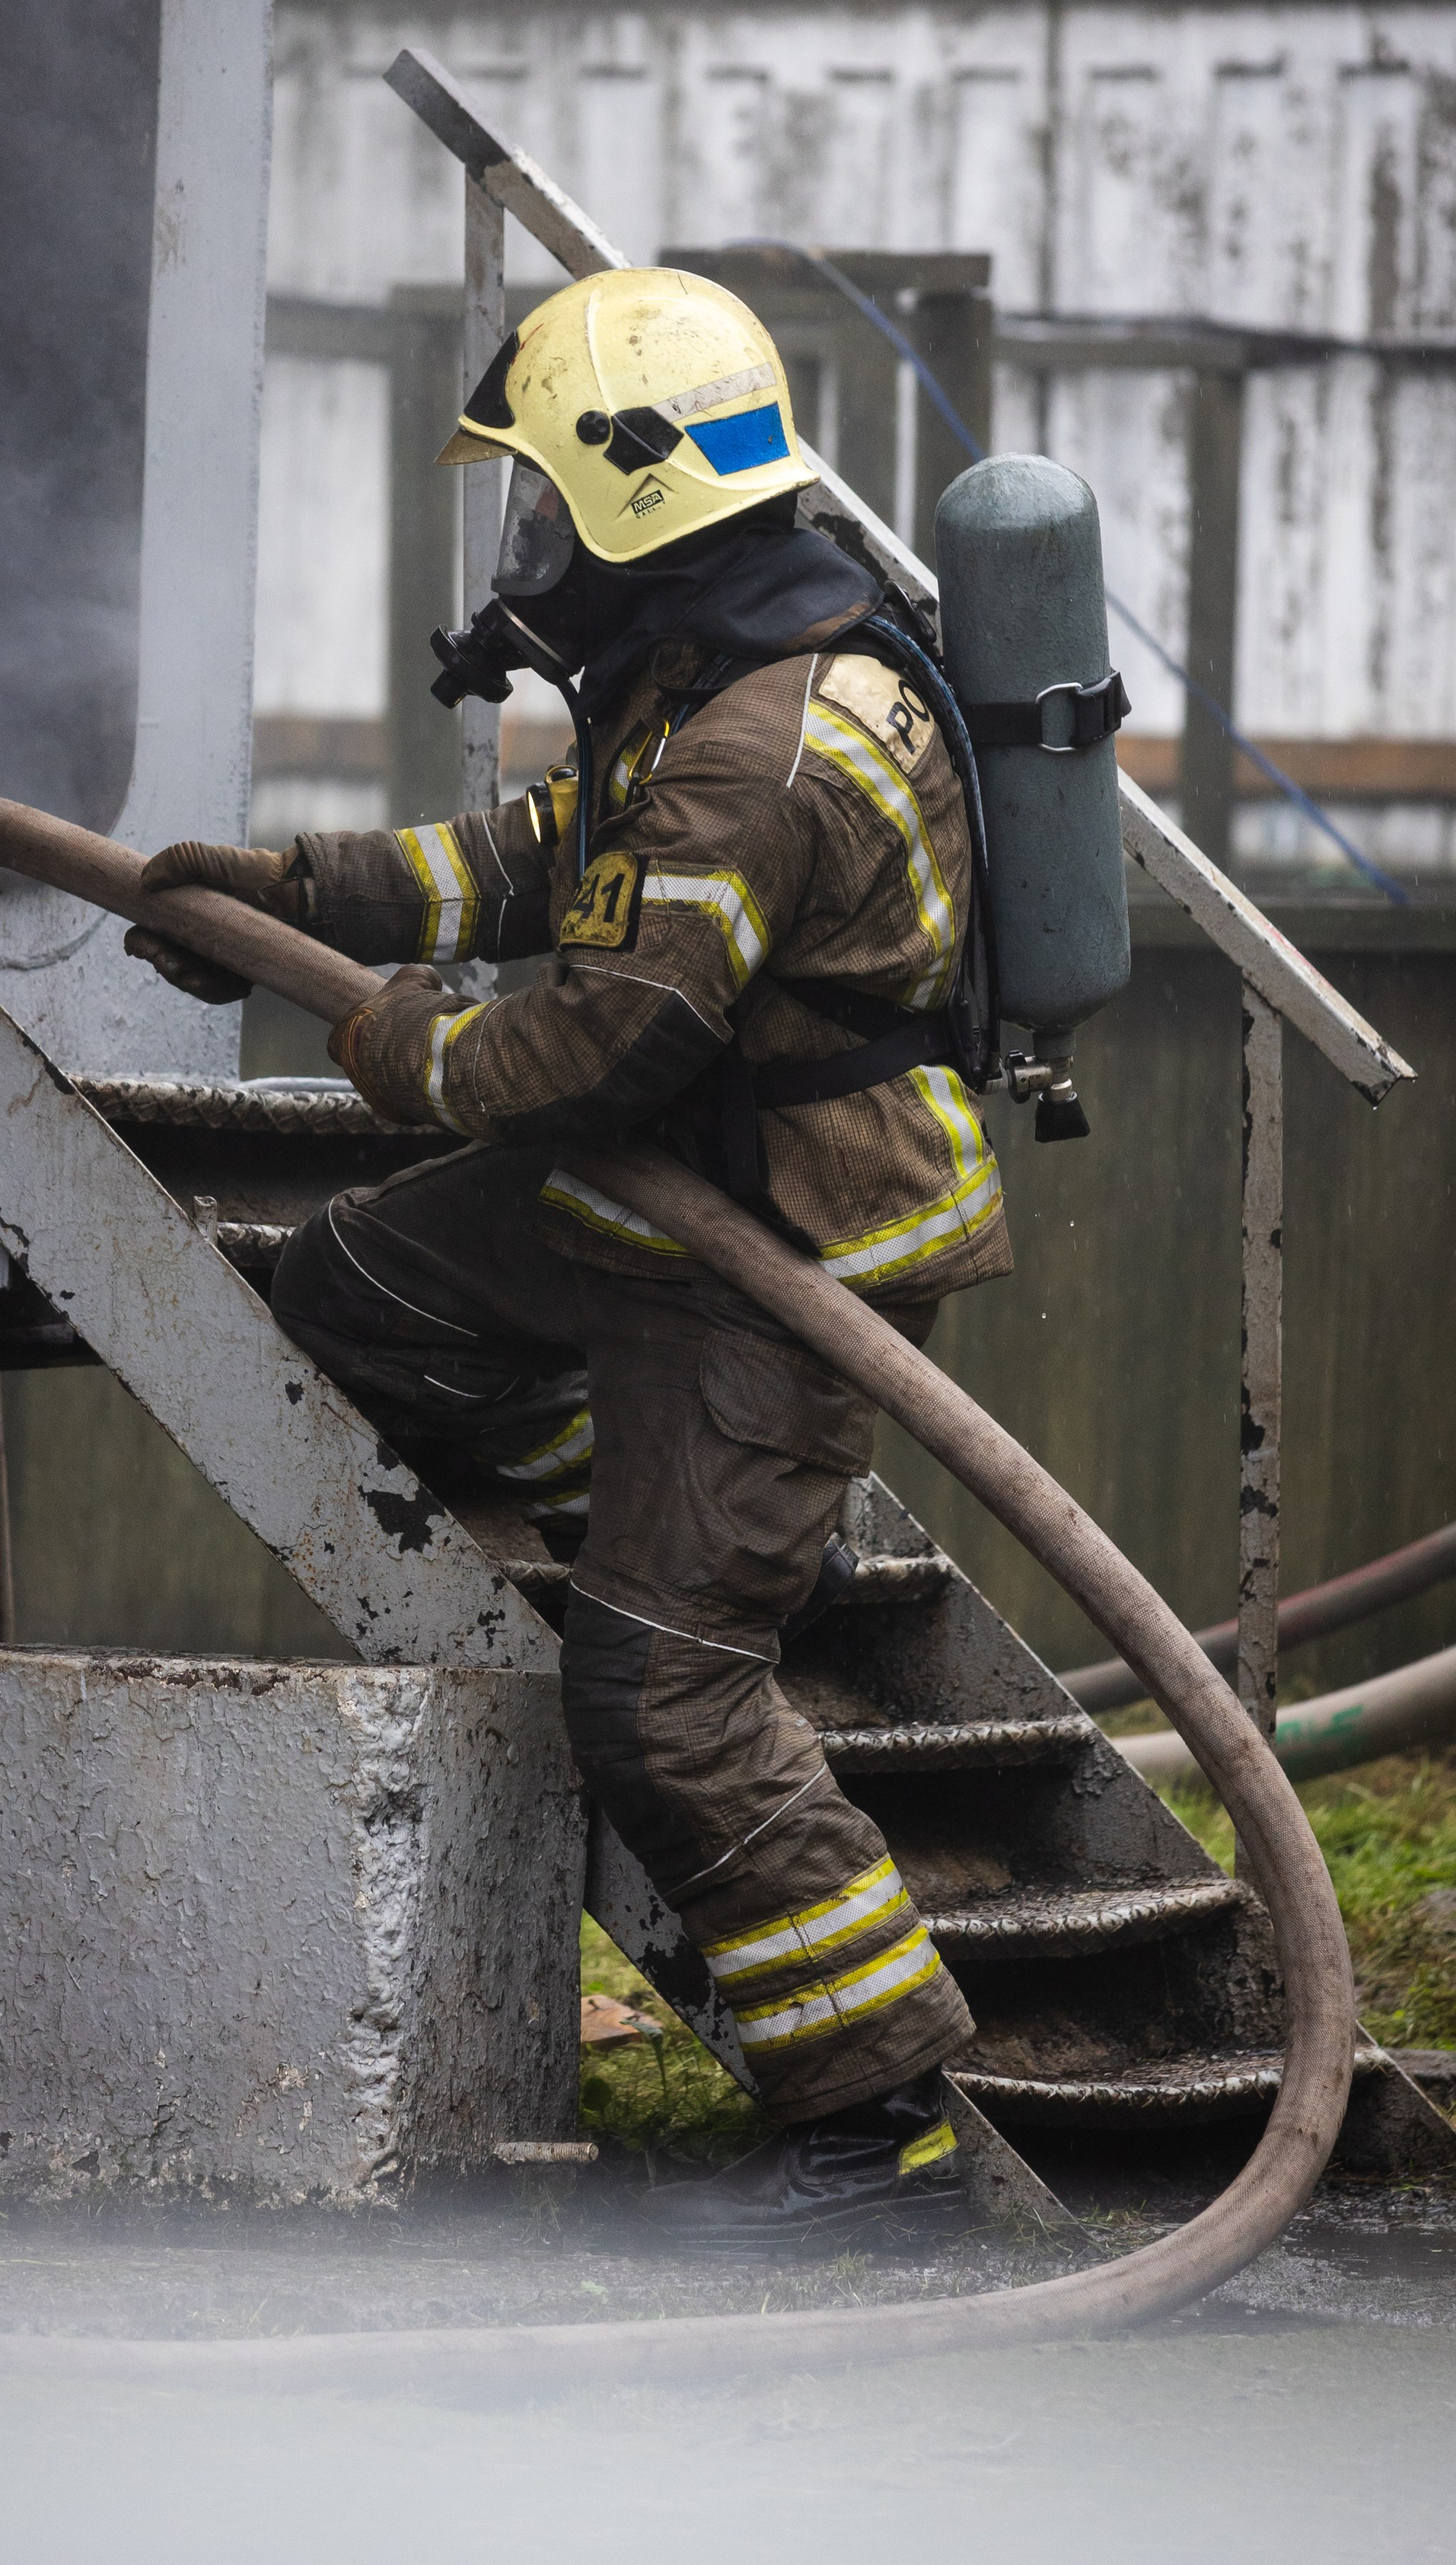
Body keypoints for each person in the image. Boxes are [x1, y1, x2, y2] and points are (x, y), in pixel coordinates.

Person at [126, 268, 1013, 2244]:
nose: (526, 545)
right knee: (360, 1288)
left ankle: (889, 2134)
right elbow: (530, 862)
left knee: (664, 1698)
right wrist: (291, 892)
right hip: (676, 1179)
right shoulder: (712, 665)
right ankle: (642, 1504)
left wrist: (374, 1026)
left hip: (788, 1228)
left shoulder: (758, 744)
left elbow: (600, 1033)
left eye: (544, 501)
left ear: (633, 498)